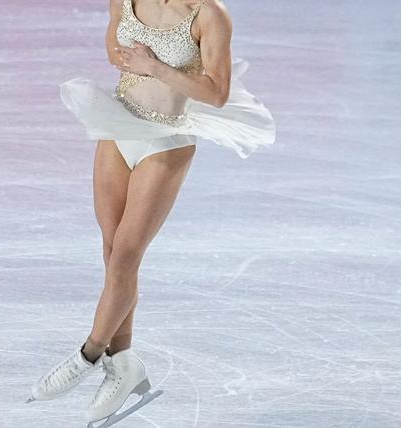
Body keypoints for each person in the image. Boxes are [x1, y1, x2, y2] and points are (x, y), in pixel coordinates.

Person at [26, 0, 275, 426]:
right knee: (110, 249)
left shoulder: (210, 16)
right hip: (118, 122)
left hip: (167, 138)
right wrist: (133, 59)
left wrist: (156, 67)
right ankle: (123, 363)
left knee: (126, 254)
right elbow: (114, 50)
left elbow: (216, 92)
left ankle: (87, 355)